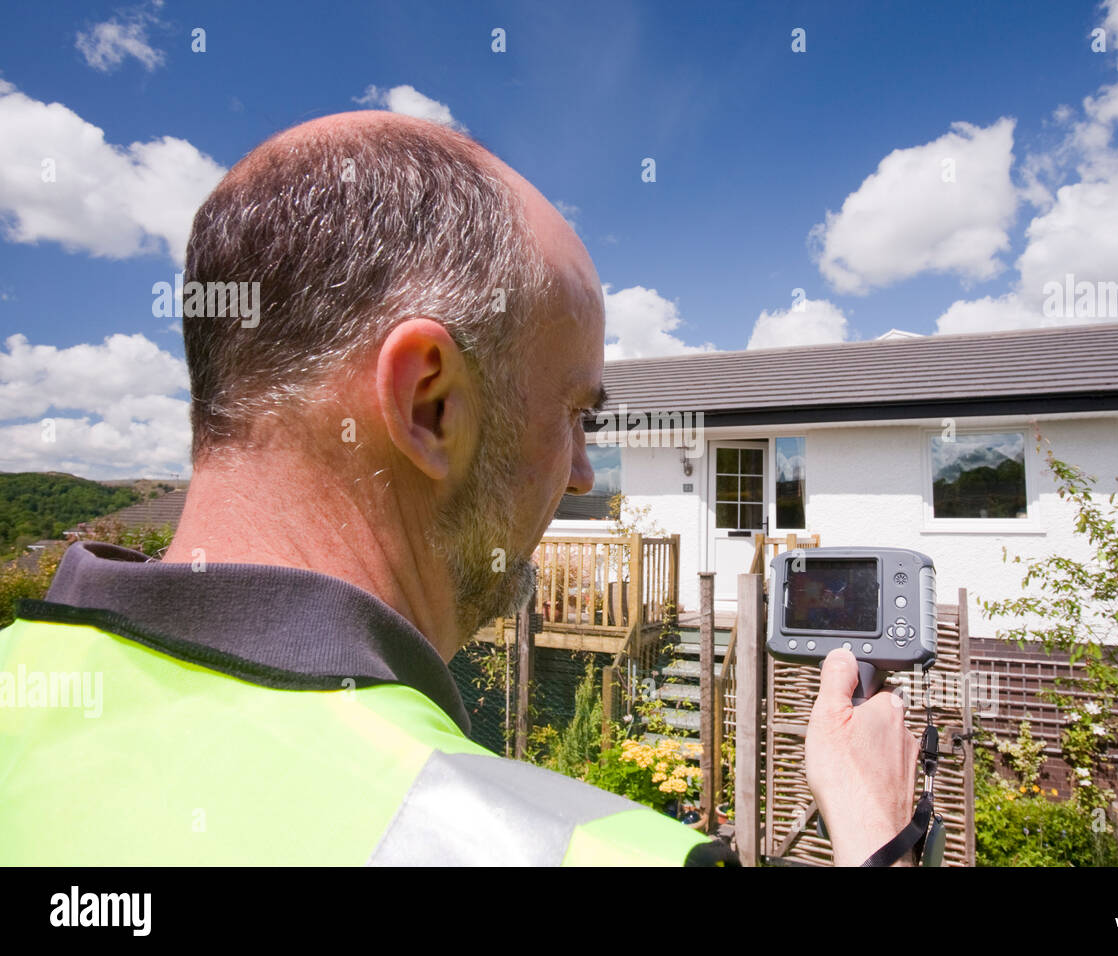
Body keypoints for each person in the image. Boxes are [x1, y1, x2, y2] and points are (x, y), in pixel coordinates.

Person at [0, 112, 918, 866]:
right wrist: (879, 838)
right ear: (432, 405)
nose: (583, 472)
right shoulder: (588, 853)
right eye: (574, 417)